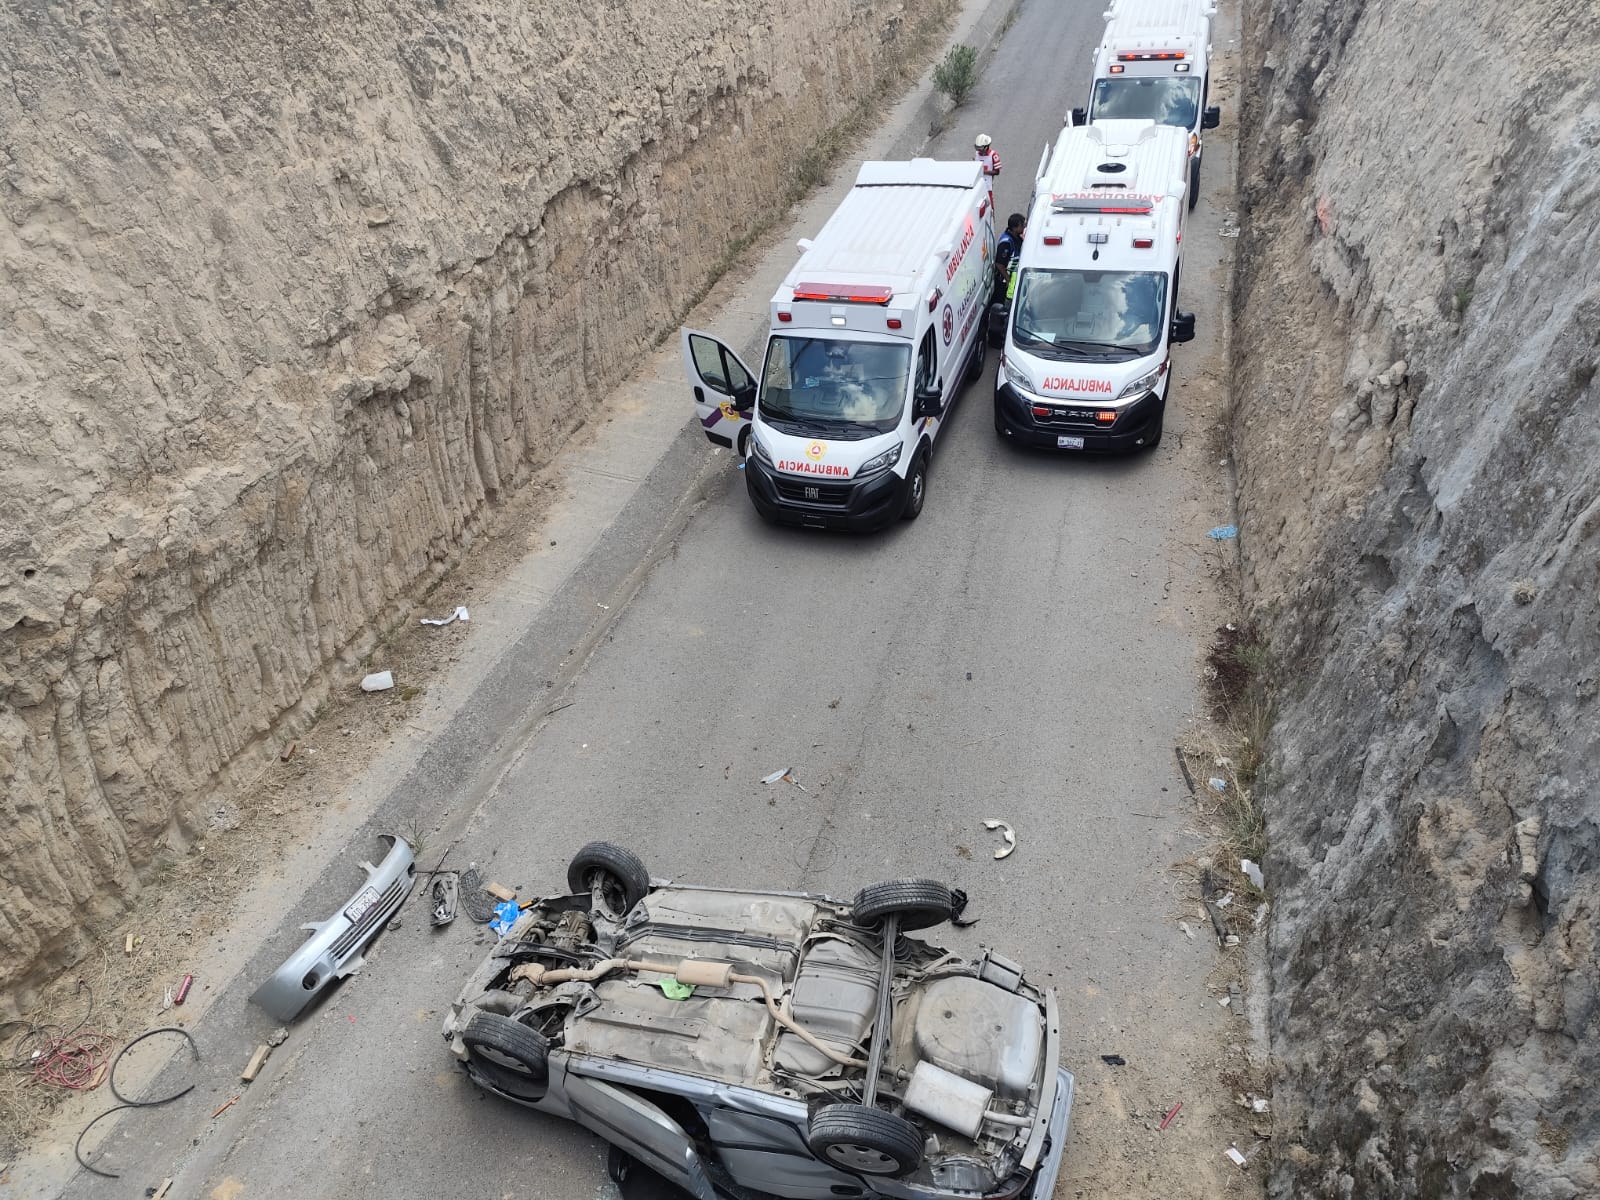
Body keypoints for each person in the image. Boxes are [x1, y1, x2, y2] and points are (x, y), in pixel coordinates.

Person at [995, 212, 1025, 290]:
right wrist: (1008, 280)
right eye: (1022, 225)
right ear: (1014, 228)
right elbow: (999, 264)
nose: (1024, 227)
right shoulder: (1006, 243)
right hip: (1005, 282)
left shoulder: (1017, 237)